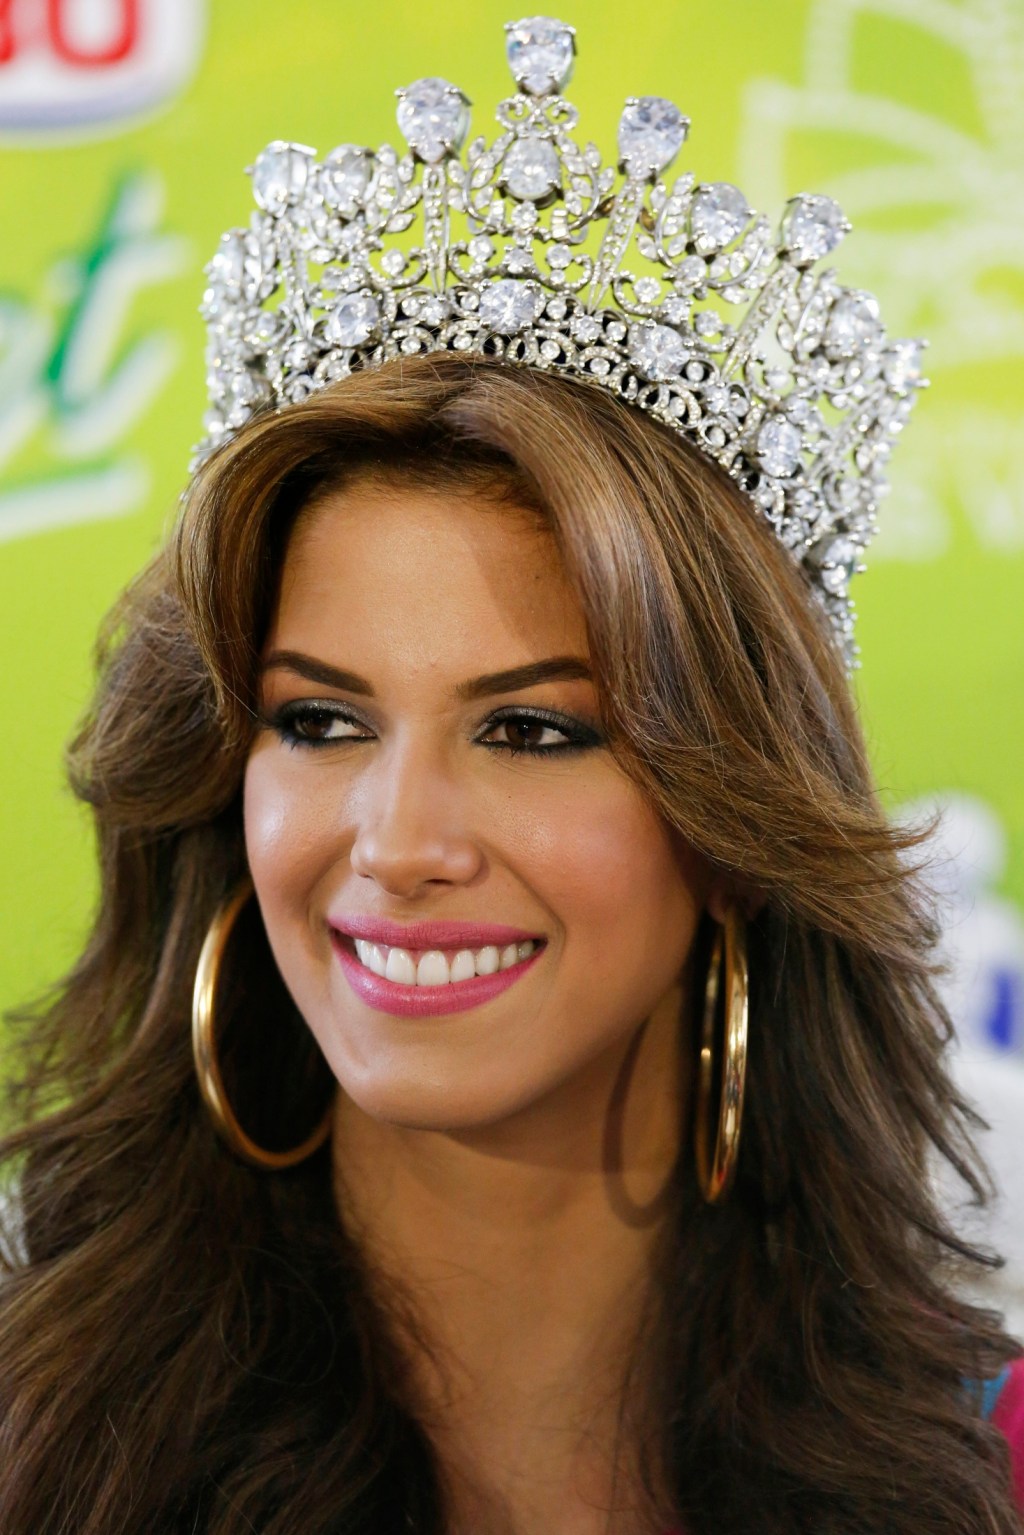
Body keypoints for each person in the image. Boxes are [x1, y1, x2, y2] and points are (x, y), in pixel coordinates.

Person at [1, 16, 1022, 1535]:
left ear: (737, 817)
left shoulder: (984, 1464)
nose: (398, 842)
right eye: (318, 723)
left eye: (535, 731)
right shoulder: (42, 1437)